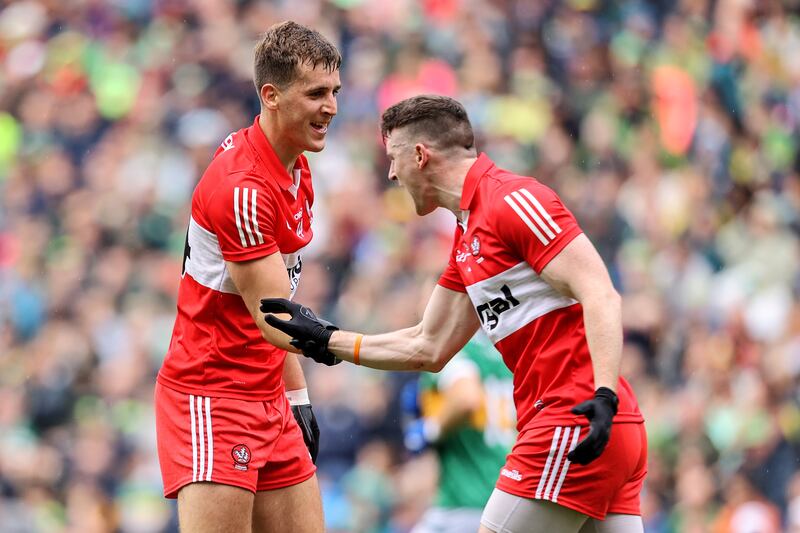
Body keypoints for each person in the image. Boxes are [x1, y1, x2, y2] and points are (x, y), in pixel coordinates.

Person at [261, 95, 648, 533]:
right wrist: (327, 340)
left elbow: (601, 293)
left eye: (393, 158)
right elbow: (428, 345)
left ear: (420, 155)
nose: (391, 173)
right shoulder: (468, 236)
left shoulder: (511, 200)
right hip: (596, 423)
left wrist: (603, 395)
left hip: (572, 416)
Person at [154, 21, 341, 533]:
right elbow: (279, 321)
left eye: (335, 92)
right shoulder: (243, 187)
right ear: (271, 95)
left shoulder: (296, 167)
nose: (331, 107)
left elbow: (277, 304)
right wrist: (376, 348)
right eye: (316, 94)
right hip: (213, 396)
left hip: (267, 393)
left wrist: (297, 398)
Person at [402, 332, 516, 533]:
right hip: (507, 495)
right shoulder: (507, 354)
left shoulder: (452, 351)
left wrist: (431, 429)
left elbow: (467, 398)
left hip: (465, 499)